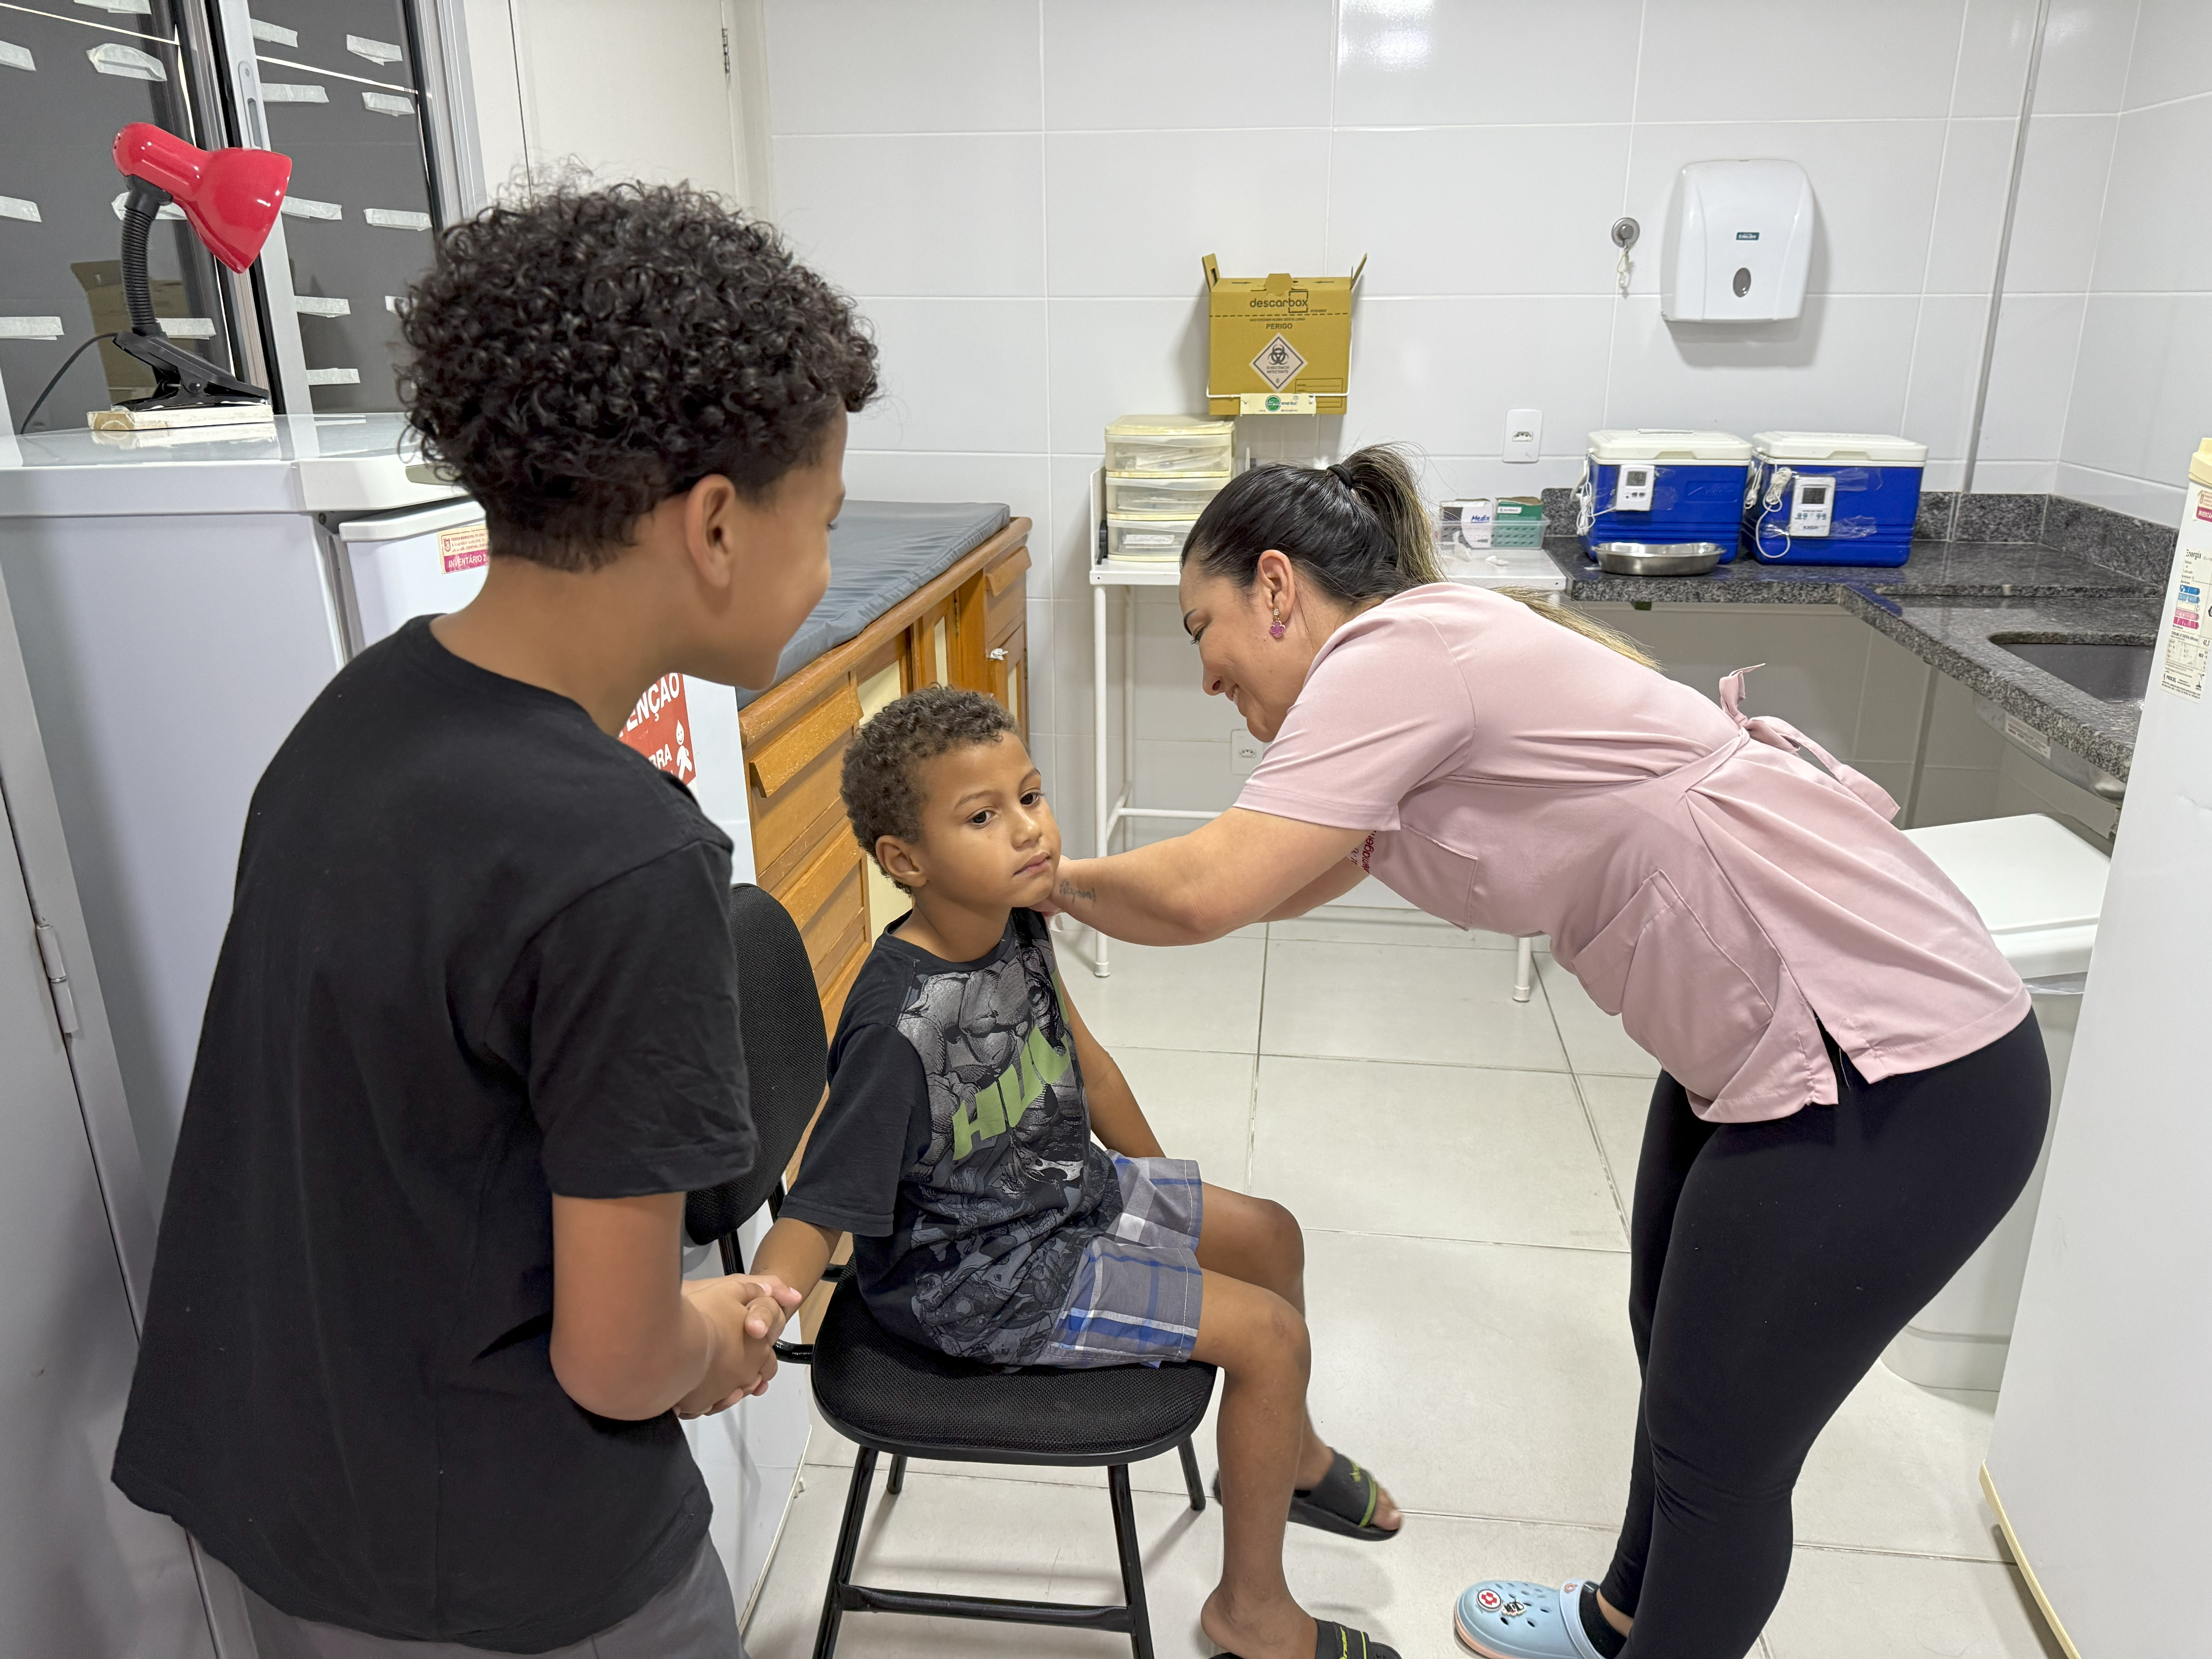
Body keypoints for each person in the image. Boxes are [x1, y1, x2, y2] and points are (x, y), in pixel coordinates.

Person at [1042, 447, 2051, 1659]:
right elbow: (1271, 888)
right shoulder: (1413, 675)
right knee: (1675, 1347)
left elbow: (1208, 888)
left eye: (1203, 625)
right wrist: (1064, 889)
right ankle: (1620, 1617)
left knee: (1723, 1447)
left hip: (1892, 1062)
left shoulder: (1396, 654)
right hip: (1767, 1053)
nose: (1207, 672)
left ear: (1275, 587)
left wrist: (1034, 881)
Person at [111, 184, 878, 1657]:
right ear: (717, 522)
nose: (827, 567)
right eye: (824, 522)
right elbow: (614, 1358)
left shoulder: (362, 710)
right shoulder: (626, 855)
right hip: (523, 1561)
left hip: (297, 1497)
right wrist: (715, 1337)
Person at [747, 685, 1403, 1659]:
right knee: (1268, 1338)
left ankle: (1294, 1460)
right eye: (983, 816)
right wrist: (757, 1314)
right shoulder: (898, 1028)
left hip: (1064, 1200)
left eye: (1031, 795)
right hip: (984, 1285)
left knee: (1270, 1234)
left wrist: (1167, 1205)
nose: (1028, 830)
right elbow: (824, 1204)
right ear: (905, 861)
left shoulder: (1016, 922)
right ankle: (1252, 1613)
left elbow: (1088, 1067)